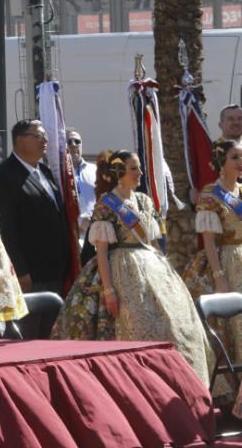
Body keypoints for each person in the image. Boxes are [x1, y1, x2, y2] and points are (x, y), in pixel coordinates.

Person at [53, 151, 211, 385]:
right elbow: (102, 251)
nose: (140, 173)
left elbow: (154, 243)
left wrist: (167, 273)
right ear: (119, 173)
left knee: (174, 324)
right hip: (120, 270)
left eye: (139, 168)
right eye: (134, 168)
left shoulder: (145, 201)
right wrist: (108, 291)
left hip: (152, 268)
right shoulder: (106, 205)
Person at [182, 138, 242, 397]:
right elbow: (208, 241)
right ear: (221, 162)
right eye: (235, 158)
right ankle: (233, 391)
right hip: (225, 260)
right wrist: (219, 277)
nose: (240, 163)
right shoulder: (210, 194)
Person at [0, 120, 73, 300]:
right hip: (31, 275)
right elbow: (5, 228)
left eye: (45, 136)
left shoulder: (46, 172)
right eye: (39, 136)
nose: (45, 141)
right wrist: (20, 270)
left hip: (57, 272)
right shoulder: (3, 177)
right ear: (20, 140)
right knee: (34, 326)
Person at [68, 129, 98, 266]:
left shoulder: (95, 170)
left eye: (77, 141)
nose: (74, 145)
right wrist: (79, 222)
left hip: (96, 237)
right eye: (69, 141)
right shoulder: (55, 173)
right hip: (70, 238)